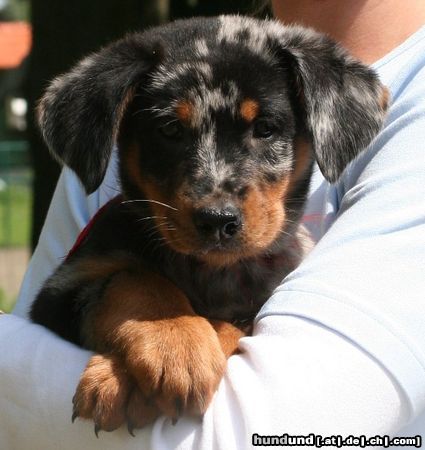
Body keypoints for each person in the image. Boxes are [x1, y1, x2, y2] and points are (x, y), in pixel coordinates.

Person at [1, 0, 425, 448]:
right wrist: (141, 307)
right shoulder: (112, 201)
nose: (217, 199)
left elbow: (251, 433)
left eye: (264, 130)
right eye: (170, 131)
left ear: (322, 126)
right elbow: (48, 320)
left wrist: (227, 341)